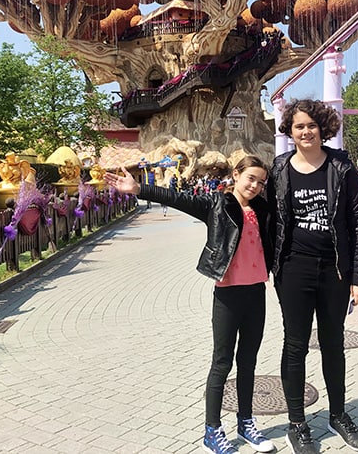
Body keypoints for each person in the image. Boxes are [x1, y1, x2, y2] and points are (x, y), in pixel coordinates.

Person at [104, 156, 275, 454]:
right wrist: (138, 189)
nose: (255, 186)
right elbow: (177, 197)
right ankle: (212, 431)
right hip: (228, 295)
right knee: (222, 363)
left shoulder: (262, 208)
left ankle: (246, 423)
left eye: (261, 182)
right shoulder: (216, 204)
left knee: (248, 362)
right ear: (236, 174)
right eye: (251, 178)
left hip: (256, 292)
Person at [266, 99, 358, 454]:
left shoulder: (341, 166)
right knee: (294, 345)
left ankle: (338, 414)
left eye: (312, 125)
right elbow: (266, 218)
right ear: (289, 131)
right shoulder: (280, 168)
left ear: (323, 128)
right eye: (299, 126)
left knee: (333, 343)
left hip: (335, 271)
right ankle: (297, 424)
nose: (306, 131)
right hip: (293, 269)